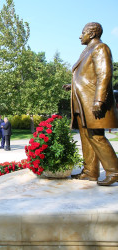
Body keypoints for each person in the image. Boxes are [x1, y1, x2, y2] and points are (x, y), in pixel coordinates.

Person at [63, 22, 118, 186]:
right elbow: (88, 77)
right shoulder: (86, 51)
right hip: (81, 101)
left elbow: (104, 75)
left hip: (92, 101)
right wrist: (72, 86)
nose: (80, 36)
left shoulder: (100, 48)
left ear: (92, 34)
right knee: (86, 137)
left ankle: (114, 171)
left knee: (96, 136)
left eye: (83, 33)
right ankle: (90, 171)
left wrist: (99, 100)